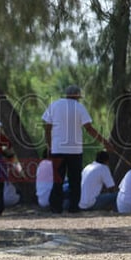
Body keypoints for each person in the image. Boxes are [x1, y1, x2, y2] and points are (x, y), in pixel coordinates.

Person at [42, 84, 114, 214]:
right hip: (74, 150)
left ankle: (55, 208)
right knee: (75, 181)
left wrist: (49, 145)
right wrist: (105, 142)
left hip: (57, 148)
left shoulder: (55, 105)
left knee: (58, 179)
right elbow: (89, 129)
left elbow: (47, 127)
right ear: (77, 96)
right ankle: (73, 208)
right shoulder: (79, 108)